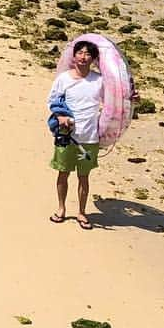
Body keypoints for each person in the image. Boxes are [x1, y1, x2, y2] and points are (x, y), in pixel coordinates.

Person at [48, 39, 103, 229]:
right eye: (80, 53)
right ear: (74, 56)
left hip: (89, 137)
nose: (83, 57)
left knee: (83, 176)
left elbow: (115, 102)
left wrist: (133, 98)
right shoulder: (64, 78)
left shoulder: (99, 80)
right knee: (63, 173)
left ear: (94, 58)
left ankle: (81, 212)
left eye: (88, 54)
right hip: (66, 136)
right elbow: (52, 101)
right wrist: (60, 116)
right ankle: (61, 208)